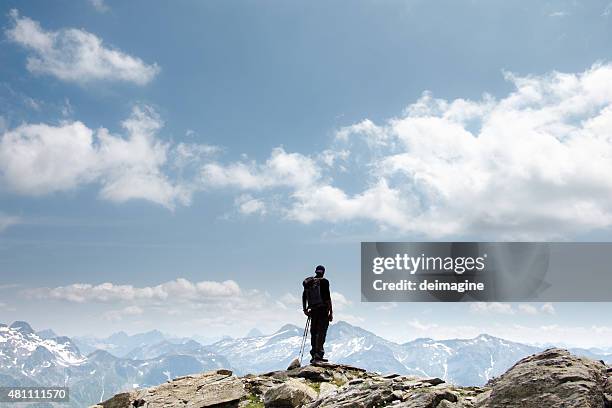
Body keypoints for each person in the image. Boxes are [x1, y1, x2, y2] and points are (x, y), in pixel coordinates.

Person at [302, 265, 333, 364]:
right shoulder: (324, 282)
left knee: (314, 332)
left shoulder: (309, 283)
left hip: (313, 311)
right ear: (323, 272)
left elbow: (304, 296)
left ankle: (313, 355)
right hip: (322, 310)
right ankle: (319, 355)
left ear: (316, 271)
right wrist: (331, 312)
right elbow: (327, 298)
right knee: (321, 333)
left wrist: (305, 309)